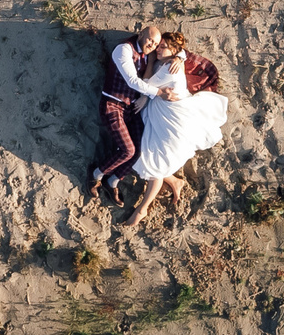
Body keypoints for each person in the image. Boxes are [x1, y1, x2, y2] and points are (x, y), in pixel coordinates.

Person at [124, 31, 230, 229]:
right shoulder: (168, 61)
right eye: (159, 46)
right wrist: (175, 57)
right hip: (161, 114)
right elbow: (175, 57)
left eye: (163, 47)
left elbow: (145, 86)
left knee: (154, 162)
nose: (158, 49)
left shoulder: (170, 69)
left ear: (174, 51)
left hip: (172, 119)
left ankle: (142, 209)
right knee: (148, 157)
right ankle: (173, 181)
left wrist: (152, 62)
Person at [87, 23, 166, 199]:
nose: (152, 45)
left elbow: (175, 51)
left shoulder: (149, 55)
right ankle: (95, 174)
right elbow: (132, 81)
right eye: (150, 40)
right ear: (141, 34)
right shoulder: (124, 49)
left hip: (131, 108)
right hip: (112, 105)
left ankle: (112, 181)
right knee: (128, 150)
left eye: (155, 43)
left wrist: (179, 58)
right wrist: (158, 93)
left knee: (139, 149)